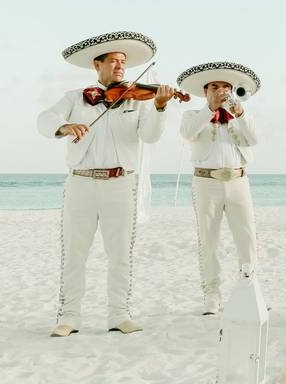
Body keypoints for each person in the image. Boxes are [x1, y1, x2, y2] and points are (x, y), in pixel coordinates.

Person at [37, 31, 175, 337]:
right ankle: (69, 317)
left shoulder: (136, 100)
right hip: (81, 183)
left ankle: (119, 315)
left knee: (120, 252)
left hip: (120, 183)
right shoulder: (74, 97)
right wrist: (63, 125)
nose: (120, 67)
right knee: (75, 252)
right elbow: (43, 119)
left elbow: (150, 136)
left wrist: (161, 107)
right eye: (113, 61)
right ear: (97, 65)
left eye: (123, 62)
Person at [177, 61, 261, 315]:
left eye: (226, 87)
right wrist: (210, 109)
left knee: (247, 239)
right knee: (208, 241)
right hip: (206, 183)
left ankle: (249, 290)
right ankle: (211, 296)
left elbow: (254, 139)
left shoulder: (239, 115)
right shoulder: (192, 115)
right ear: (206, 91)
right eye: (215, 87)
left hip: (239, 182)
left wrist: (240, 113)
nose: (222, 91)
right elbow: (188, 134)